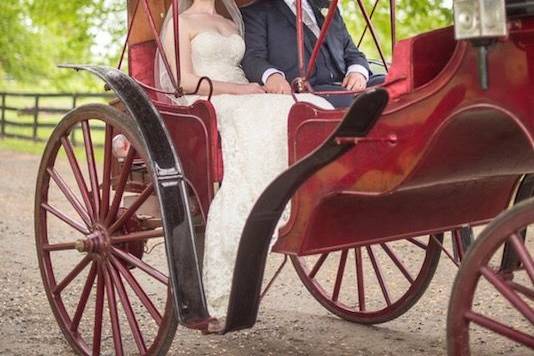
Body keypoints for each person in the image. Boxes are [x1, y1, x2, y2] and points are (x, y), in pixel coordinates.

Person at [155, 0, 333, 320]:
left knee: (303, 104)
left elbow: (252, 62)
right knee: (273, 115)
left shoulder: (232, 24)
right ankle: (262, 205)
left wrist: (262, 85)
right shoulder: (180, 25)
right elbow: (183, 82)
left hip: (247, 91)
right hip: (208, 101)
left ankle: (302, 192)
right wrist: (241, 92)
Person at [241, 0, 384, 108]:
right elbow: (253, 57)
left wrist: (357, 73)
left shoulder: (327, 5)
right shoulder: (257, 11)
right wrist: (272, 76)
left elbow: (353, 53)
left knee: (391, 84)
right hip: (309, 89)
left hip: (347, 84)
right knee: (355, 104)